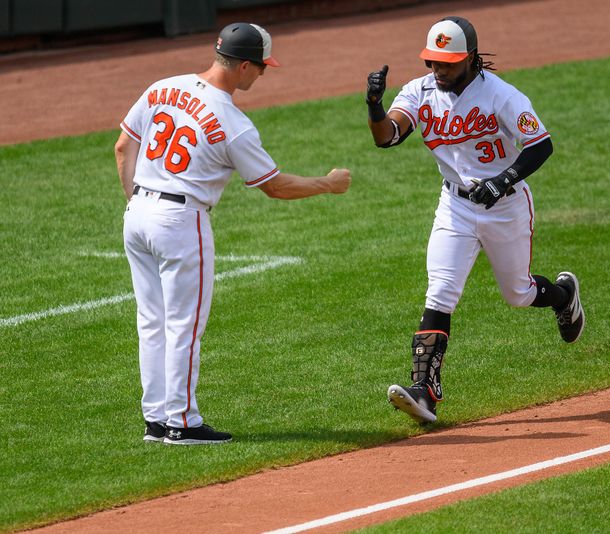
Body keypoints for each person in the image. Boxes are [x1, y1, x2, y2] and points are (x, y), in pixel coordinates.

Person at [115, 22, 351, 445]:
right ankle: (182, 423)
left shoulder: (162, 87)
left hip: (138, 213)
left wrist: (134, 200)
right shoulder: (233, 121)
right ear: (243, 66)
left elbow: (122, 146)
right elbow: (274, 186)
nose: (262, 74)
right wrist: (327, 184)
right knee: (184, 327)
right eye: (261, 67)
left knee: (151, 322)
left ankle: (156, 419)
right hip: (180, 223)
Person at [365, 16, 584, 424]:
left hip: (506, 207)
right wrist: (375, 106)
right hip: (455, 207)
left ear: (469, 58)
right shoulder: (419, 91)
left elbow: (541, 144)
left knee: (517, 293)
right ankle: (425, 392)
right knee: (440, 291)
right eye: (433, 62)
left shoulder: (501, 96)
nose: (438, 70)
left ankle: (563, 296)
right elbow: (387, 137)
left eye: (446, 63)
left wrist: (502, 181)